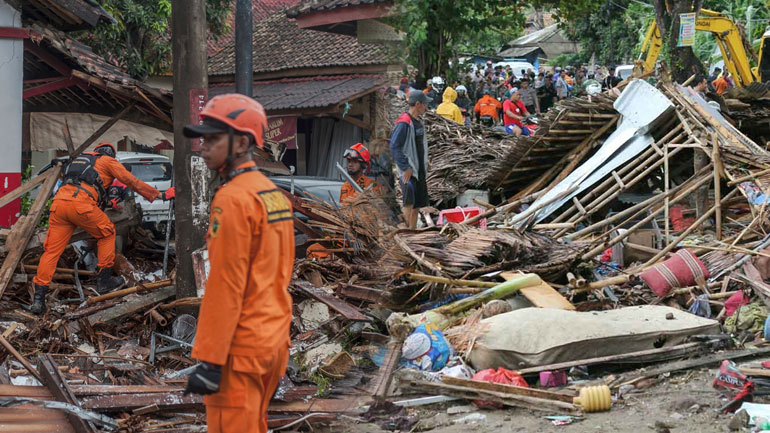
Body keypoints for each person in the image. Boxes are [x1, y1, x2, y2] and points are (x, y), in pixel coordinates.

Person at [182, 94, 293, 433]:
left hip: (239, 350)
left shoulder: (232, 199)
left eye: (213, 138)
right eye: (202, 138)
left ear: (242, 142)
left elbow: (225, 285)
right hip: (273, 340)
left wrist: (210, 359)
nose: (202, 146)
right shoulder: (271, 193)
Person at [30, 143, 173, 314]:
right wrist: (158, 194)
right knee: (107, 233)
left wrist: (105, 201)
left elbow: (84, 185)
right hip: (81, 205)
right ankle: (104, 281)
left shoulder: (80, 161)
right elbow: (130, 180)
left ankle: (38, 300)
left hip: (59, 205)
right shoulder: (108, 161)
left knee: (51, 251)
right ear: (110, 154)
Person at [390, 91, 430, 229]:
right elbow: (394, 146)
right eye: (424, 104)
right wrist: (405, 167)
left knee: (417, 205)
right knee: (408, 203)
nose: (426, 107)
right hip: (409, 170)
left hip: (419, 170)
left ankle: (412, 233)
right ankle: (406, 235)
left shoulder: (419, 122)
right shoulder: (404, 123)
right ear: (417, 104)